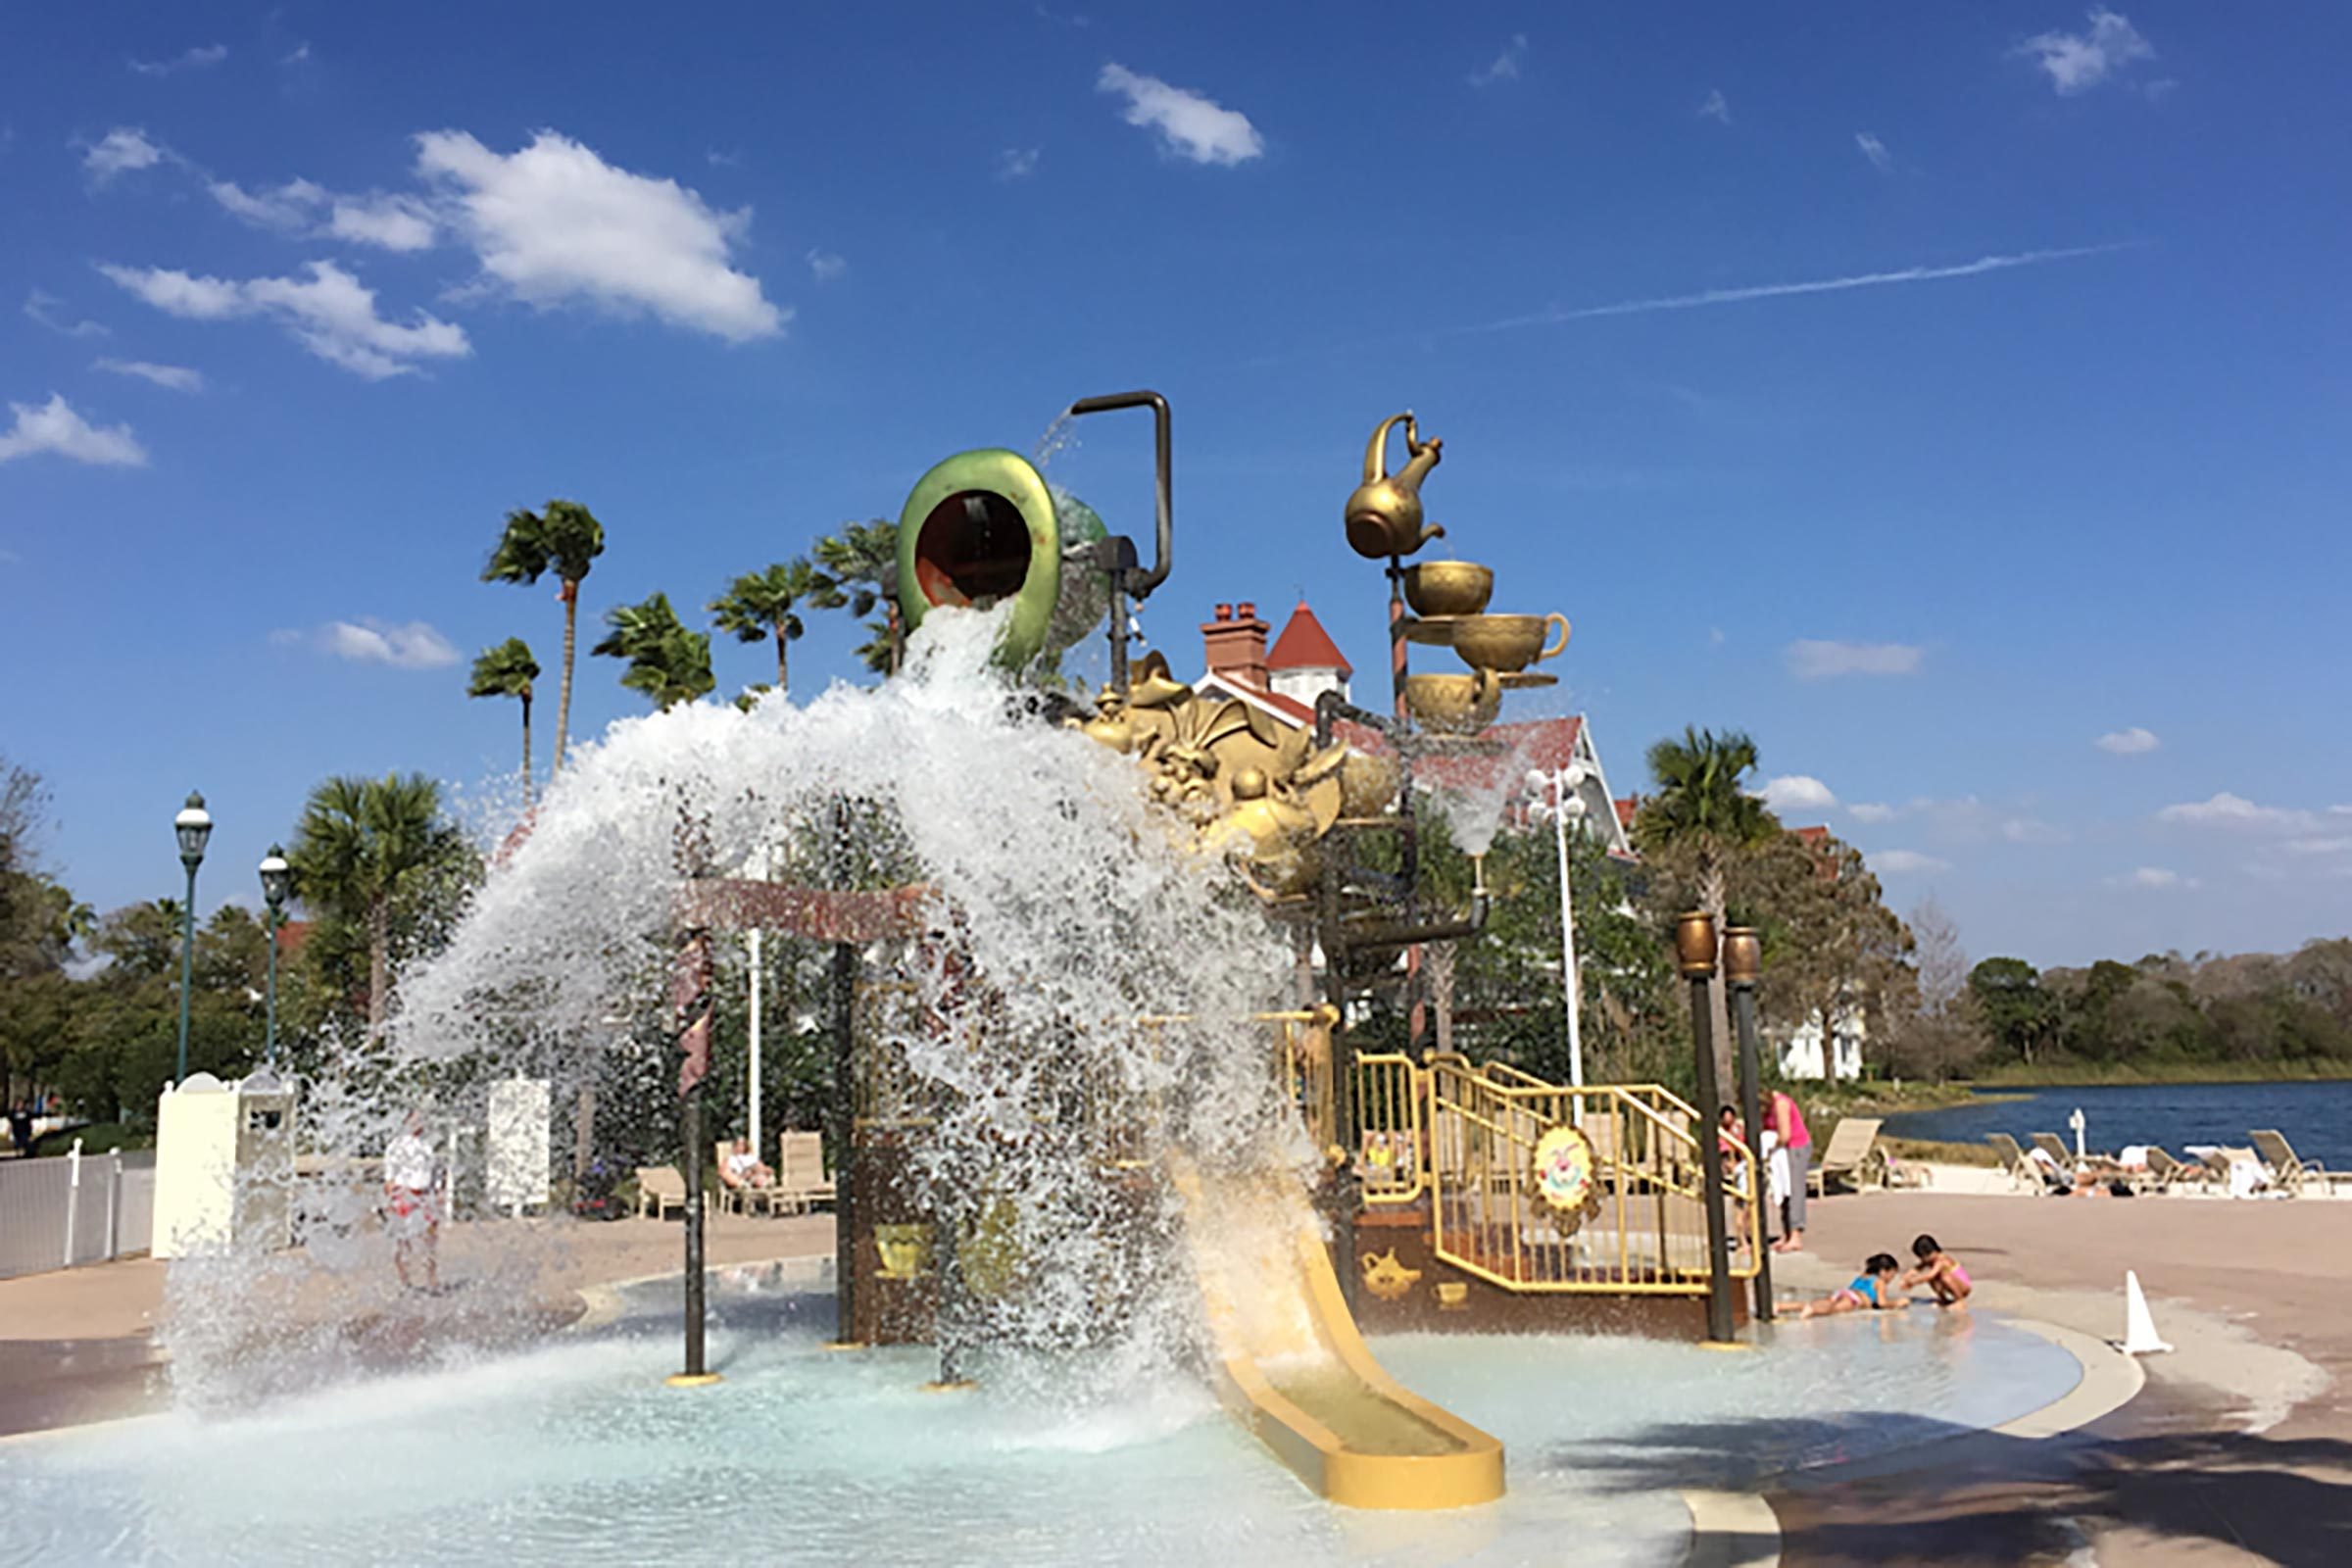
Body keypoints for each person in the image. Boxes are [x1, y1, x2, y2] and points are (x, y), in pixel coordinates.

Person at [383, 1111, 440, 1293]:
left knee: (430, 1238)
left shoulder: (427, 1146)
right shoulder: (396, 1146)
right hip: (404, 1193)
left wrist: (437, 1191)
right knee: (402, 1241)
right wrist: (392, 1197)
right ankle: (405, 1281)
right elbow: (389, 1176)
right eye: (414, 1120)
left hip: (424, 1194)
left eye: (421, 1119)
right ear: (406, 1122)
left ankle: (432, 1280)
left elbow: (434, 1172)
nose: (419, 1123)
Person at [1796, 1252, 1909, 1319]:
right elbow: (1882, 1303)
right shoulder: (1880, 1282)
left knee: (1826, 1303)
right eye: (1892, 1275)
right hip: (1855, 1299)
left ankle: (1782, 1307)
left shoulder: (1863, 1276)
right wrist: (1897, 1303)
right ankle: (1811, 1310)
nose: (1891, 1279)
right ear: (1883, 1272)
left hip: (1844, 1293)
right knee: (1834, 1309)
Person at [1768, 1089, 1813, 1253]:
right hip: (1781, 1151)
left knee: (1795, 1190)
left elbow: (1785, 1134)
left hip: (1796, 1147)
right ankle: (1786, 1233)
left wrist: (1770, 1146)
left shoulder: (1781, 1103)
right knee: (1783, 1190)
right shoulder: (1765, 1108)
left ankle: (1795, 1235)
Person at [1902, 1233, 1973, 1307]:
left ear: (1926, 1254)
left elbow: (1930, 1275)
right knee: (1934, 1278)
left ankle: (1960, 1300)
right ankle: (1943, 1299)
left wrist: (1912, 1282)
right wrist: (1906, 1277)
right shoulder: (1930, 1260)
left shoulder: (1941, 1259)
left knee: (1944, 1277)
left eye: (1922, 1257)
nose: (1922, 1260)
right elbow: (1917, 1269)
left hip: (1964, 1287)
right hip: (1953, 1284)